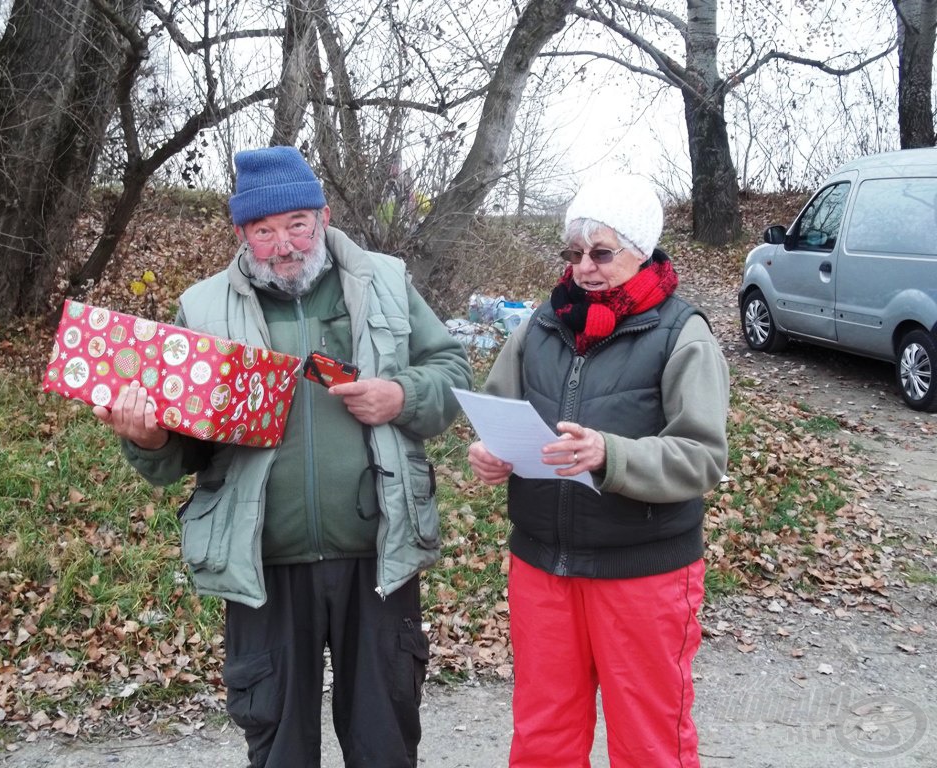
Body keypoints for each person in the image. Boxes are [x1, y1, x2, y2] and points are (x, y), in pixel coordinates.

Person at [93, 145, 472, 768]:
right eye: (264, 231)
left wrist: (401, 395)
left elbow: (451, 368)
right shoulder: (204, 307)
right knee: (280, 752)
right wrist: (148, 437)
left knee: (385, 747)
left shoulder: (384, 280)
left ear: (322, 217)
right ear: (242, 233)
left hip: (376, 556)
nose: (285, 244)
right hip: (262, 566)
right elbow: (183, 451)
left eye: (297, 224)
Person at [467, 174, 729, 767]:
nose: (584, 267)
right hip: (542, 566)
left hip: (644, 572)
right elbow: (499, 408)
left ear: (641, 252)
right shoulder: (541, 324)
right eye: (575, 253)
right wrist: (489, 452)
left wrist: (611, 454)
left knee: (650, 742)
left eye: (601, 253)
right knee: (543, 740)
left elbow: (704, 456)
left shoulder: (682, 336)